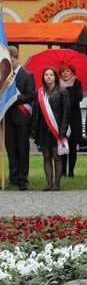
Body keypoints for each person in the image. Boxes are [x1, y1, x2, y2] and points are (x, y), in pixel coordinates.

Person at [31, 67, 70, 191]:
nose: (48, 77)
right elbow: (35, 113)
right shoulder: (40, 92)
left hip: (57, 129)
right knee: (46, 156)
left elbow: (66, 112)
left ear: (55, 77)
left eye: (51, 75)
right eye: (46, 75)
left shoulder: (62, 91)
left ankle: (57, 183)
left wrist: (63, 130)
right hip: (43, 130)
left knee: (56, 155)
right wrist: (34, 130)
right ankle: (49, 183)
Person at [4, 46, 36, 190]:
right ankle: (13, 177)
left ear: (17, 59)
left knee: (22, 149)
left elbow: (30, 95)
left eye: (12, 61)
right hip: (7, 118)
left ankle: (23, 179)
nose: (10, 64)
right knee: (11, 148)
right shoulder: (3, 76)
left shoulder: (27, 75)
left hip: (22, 117)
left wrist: (13, 99)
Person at [59, 64, 82, 178]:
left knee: (73, 145)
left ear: (72, 73)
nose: (65, 73)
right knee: (63, 144)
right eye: (63, 71)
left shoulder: (77, 83)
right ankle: (62, 171)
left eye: (67, 71)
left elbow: (79, 97)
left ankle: (71, 171)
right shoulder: (57, 85)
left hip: (74, 118)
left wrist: (66, 103)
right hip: (62, 118)